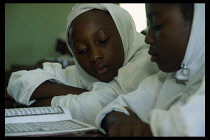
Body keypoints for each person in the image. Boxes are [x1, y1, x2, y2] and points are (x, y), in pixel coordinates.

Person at [7, 4, 159, 126]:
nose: (94, 56)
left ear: (124, 32)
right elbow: (18, 81)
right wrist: (82, 93)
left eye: (103, 40)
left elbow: (97, 107)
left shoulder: (147, 61)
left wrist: (36, 103)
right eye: (81, 50)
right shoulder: (85, 72)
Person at [95, 3, 205, 136]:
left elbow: (187, 127)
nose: (147, 38)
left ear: (198, 24)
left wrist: (142, 127)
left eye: (157, 25)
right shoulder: (170, 77)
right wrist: (121, 122)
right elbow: (112, 109)